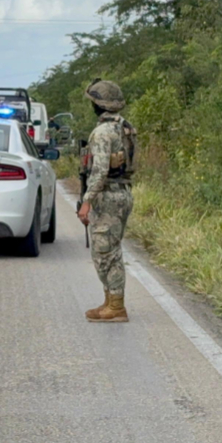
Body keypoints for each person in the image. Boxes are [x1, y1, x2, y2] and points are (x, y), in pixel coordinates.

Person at [76, 79, 136, 323]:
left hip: (108, 195)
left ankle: (116, 306)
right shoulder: (125, 127)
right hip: (122, 192)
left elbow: (99, 170)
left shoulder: (102, 132)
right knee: (111, 249)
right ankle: (111, 301)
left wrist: (87, 201)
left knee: (104, 252)